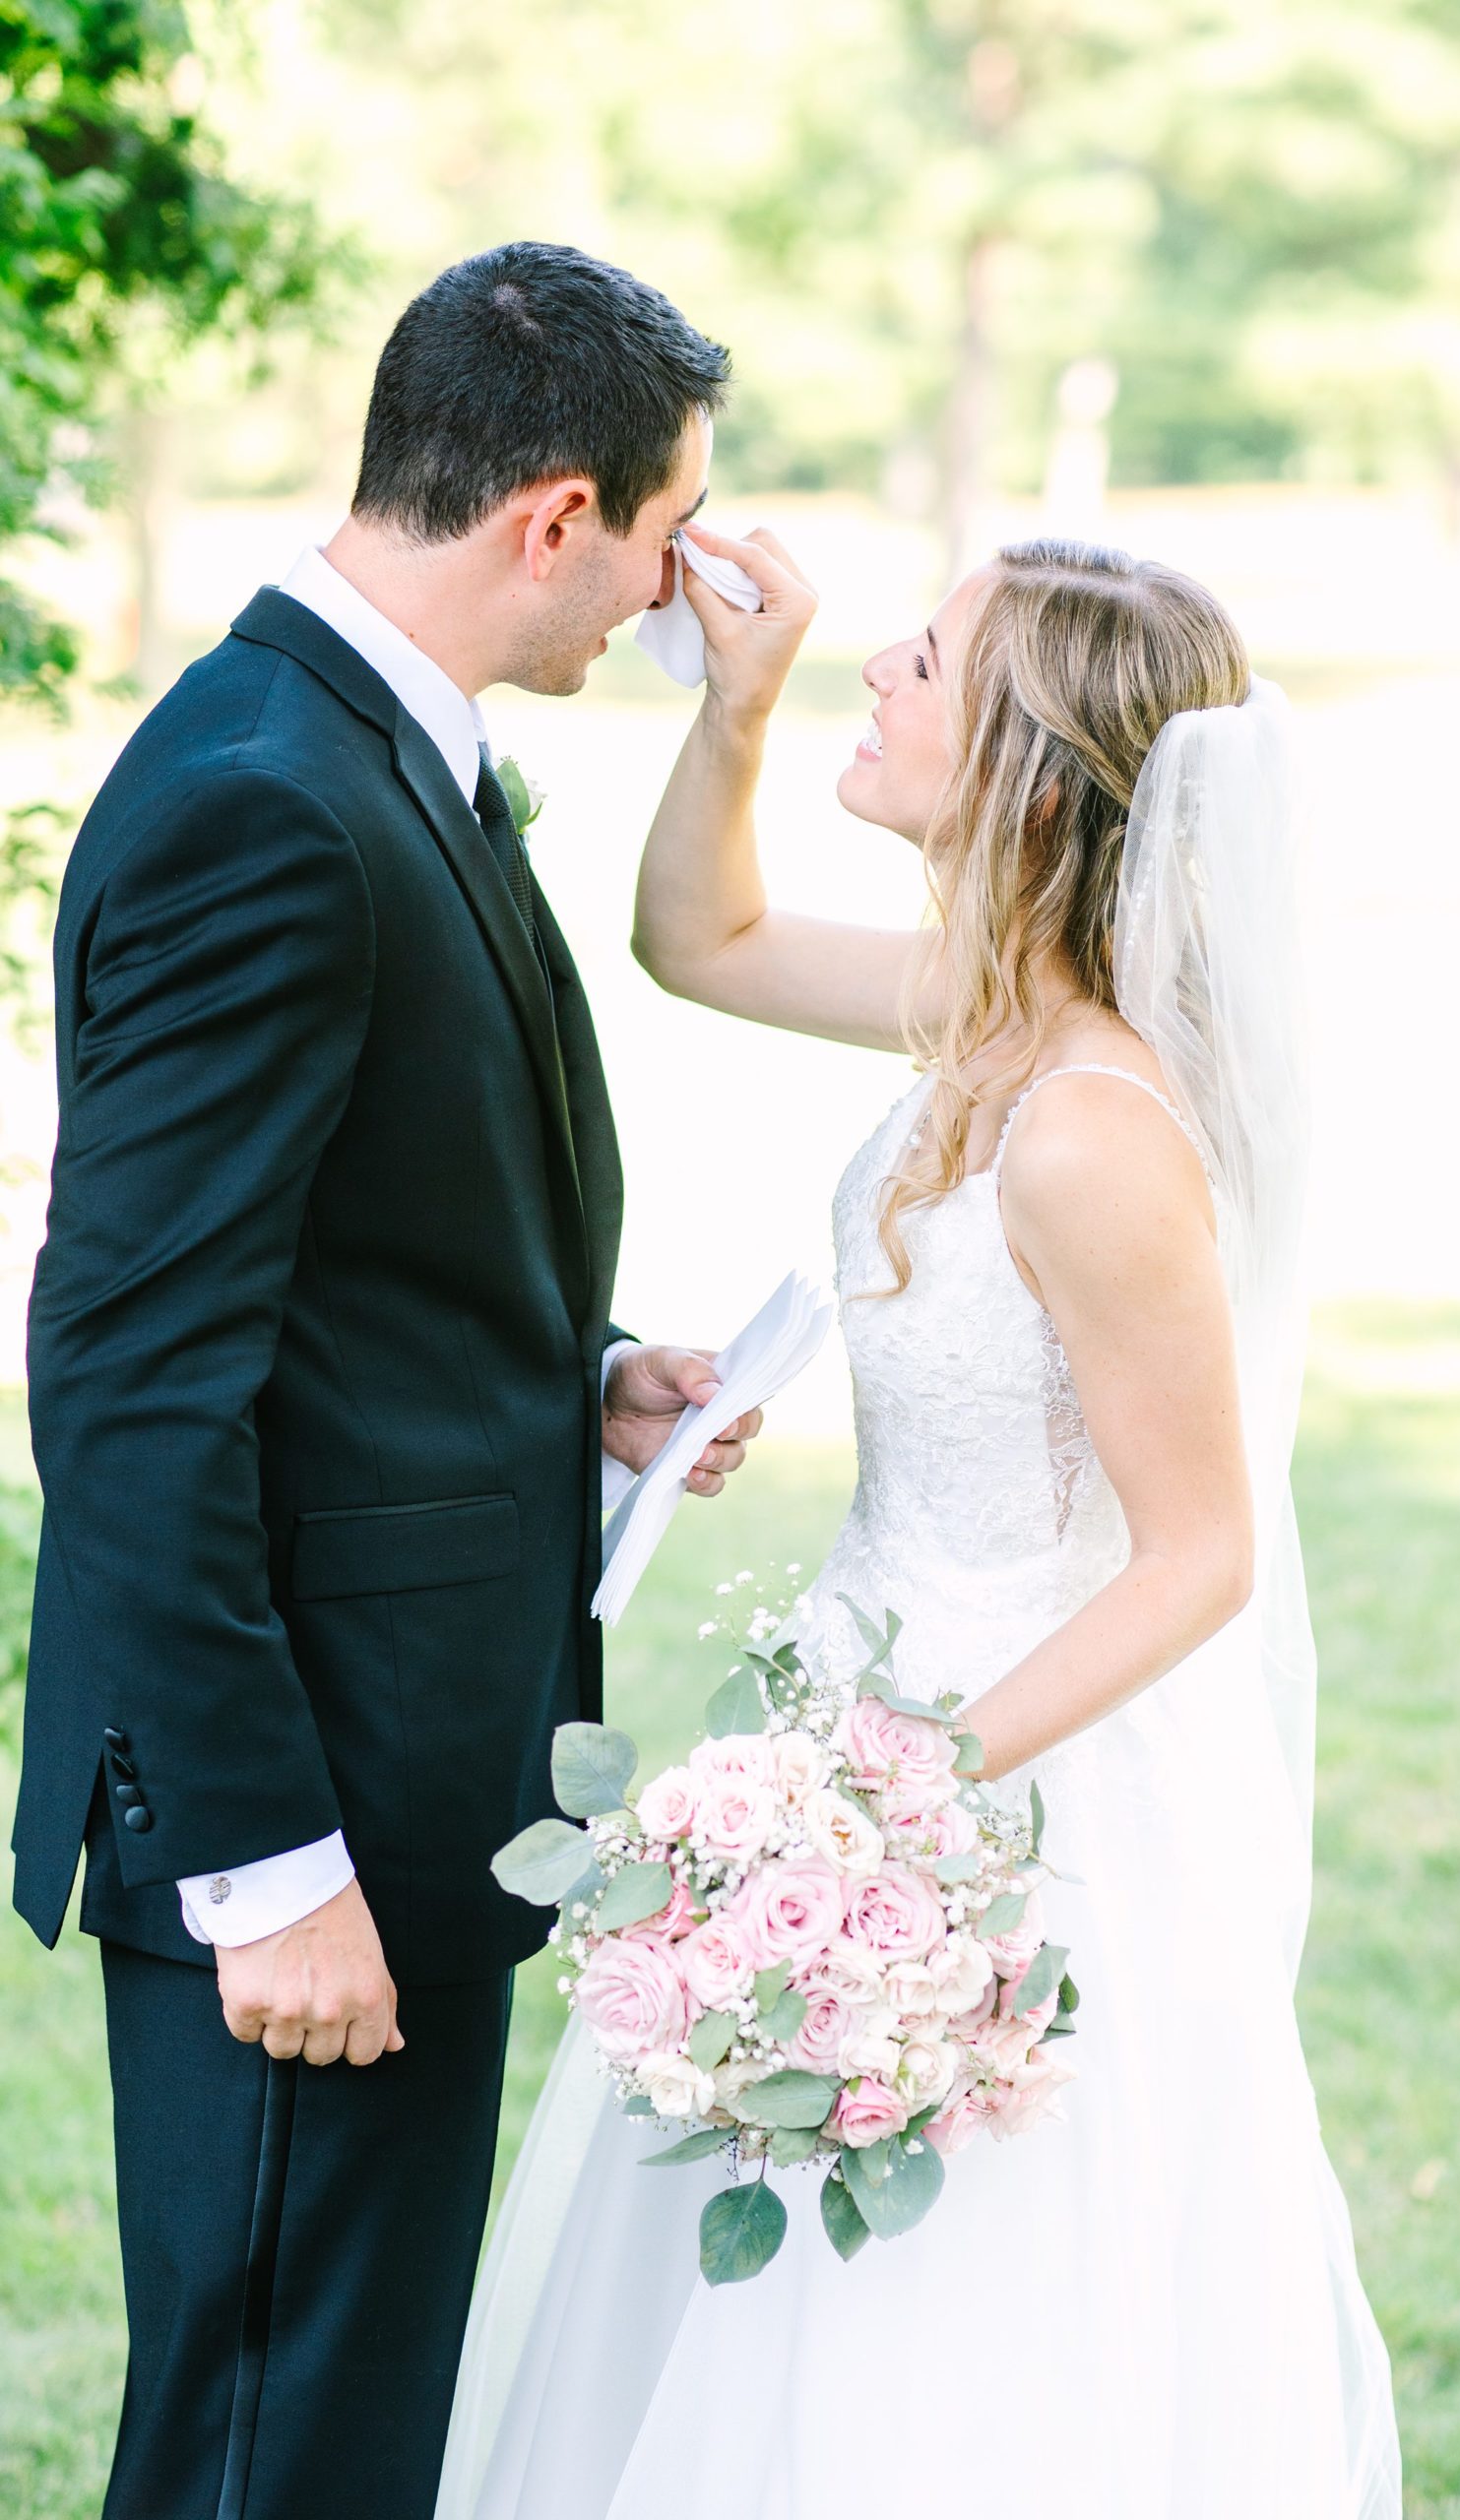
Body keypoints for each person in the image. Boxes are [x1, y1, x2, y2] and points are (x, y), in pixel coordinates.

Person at [436, 527, 1403, 2516]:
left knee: (948, 2346)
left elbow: (1200, 1551)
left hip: (999, 1799)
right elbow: (696, 936)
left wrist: (895, 1797)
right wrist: (743, 702)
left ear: (1034, 771)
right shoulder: (978, 1020)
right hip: (854, 1725)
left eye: (929, 659)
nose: (884, 660)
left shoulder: (1089, 1123)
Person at [10, 241, 765, 2520]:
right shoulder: (271, 797)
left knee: (341, 2436)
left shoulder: (395, 755)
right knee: (271, 2446)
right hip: (302, 1817)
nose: (670, 589)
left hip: (413, 1794)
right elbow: (132, 1381)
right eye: (662, 535)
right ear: (552, 513)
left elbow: (349, 1257)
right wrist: (262, 1863)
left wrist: (585, 1374)